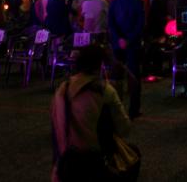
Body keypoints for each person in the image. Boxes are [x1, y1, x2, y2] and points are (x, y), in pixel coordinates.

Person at [51, 42, 136, 182]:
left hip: (63, 164)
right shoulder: (104, 91)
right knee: (132, 156)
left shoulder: (62, 89)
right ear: (100, 65)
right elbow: (124, 129)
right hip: (94, 162)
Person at [108, 0, 145, 119]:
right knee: (134, 76)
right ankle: (134, 109)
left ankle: (116, 107)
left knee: (117, 78)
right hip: (133, 44)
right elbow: (140, 25)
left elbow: (111, 24)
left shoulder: (114, 3)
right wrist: (129, 40)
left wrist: (119, 39)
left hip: (118, 44)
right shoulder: (138, 3)